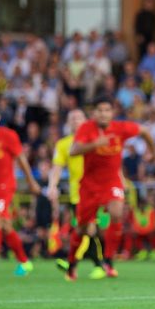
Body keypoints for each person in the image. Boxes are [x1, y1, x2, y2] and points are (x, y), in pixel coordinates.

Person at [66, 95, 155, 281]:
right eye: (100, 110)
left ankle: (108, 260)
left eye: (107, 110)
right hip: (89, 186)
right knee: (83, 229)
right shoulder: (86, 128)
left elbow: (144, 131)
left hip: (112, 182)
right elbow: (73, 151)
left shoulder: (120, 128)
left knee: (117, 213)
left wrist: (153, 153)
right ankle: (72, 264)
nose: (103, 114)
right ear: (94, 114)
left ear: (112, 113)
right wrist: (94, 145)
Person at [0, 105, 41, 276]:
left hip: (6, 186)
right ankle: (25, 262)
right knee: (5, 226)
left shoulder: (8, 136)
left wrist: (31, 182)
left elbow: (21, 160)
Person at [48, 109, 106, 280]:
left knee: (88, 228)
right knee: (84, 229)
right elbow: (57, 168)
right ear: (68, 122)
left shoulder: (95, 139)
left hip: (95, 191)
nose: (75, 121)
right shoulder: (63, 144)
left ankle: (82, 263)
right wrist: (52, 185)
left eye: (79, 117)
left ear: (86, 120)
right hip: (76, 194)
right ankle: (89, 264)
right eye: (72, 118)